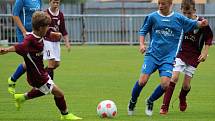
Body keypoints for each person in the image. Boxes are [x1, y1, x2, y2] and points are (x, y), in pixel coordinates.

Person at [127, 0, 208, 116]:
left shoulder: (179, 18)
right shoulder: (152, 17)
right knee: (142, 81)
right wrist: (141, 44)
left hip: (169, 57)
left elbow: (193, 23)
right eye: (159, 3)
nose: (160, 6)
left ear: (170, 4)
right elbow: (143, 30)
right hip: (153, 54)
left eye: (163, 4)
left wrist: (202, 23)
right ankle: (133, 101)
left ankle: (150, 100)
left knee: (165, 84)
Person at [0, 11, 82, 121]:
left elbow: (49, 34)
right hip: (37, 76)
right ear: (39, 28)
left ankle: (21, 98)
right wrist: (6, 50)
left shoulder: (41, 34)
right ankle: (65, 115)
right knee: (59, 93)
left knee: (45, 91)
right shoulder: (29, 41)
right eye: (46, 27)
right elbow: (19, 46)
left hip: (41, 72)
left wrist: (56, 35)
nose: (48, 29)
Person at [160, 0, 213, 115]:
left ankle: (182, 97)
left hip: (194, 56)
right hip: (181, 53)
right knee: (174, 78)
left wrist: (204, 52)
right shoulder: (180, 21)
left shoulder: (201, 22)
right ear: (181, 11)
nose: (187, 16)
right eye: (184, 13)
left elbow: (209, 37)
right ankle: (164, 107)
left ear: (194, 10)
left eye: (189, 13)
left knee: (186, 85)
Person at [8, 0, 42, 95]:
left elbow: (39, 15)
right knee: (29, 59)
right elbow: (15, 15)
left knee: (32, 59)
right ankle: (32, 83)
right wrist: (23, 31)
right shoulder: (21, 0)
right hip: (24, 33)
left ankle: (12, 80)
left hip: (36, 33)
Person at [43, 0, 71, 80]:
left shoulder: (60, 14)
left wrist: (67, 43)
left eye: (57, 3)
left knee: (57, 64)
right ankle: (49, 85)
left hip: (56, 42)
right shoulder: (45, 13)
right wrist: (54, 34)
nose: (55, 4)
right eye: (54, 2)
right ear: (50, 2)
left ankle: (41, 76)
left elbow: (63, 30)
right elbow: (43, 29)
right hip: (47, 41)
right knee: (51, 62)